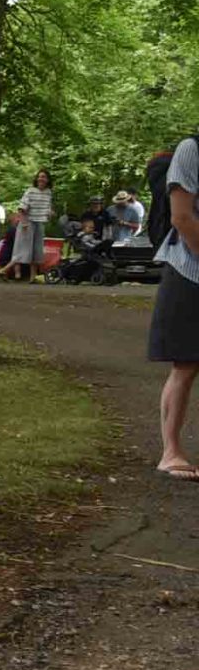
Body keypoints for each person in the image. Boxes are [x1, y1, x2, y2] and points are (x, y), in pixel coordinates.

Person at [150, 134, 199, 479]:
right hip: (189, 271)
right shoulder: (191, 150)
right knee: (186, 363)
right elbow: (181, 218)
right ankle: (171, 452)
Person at [8, 169, 54, 281]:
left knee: (36, 250)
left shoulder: (48, 192)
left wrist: (50, 213)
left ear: (48, 180)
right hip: (28, 222)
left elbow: (47, 207)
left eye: (43, 177)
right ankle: (16, 273)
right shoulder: (30, 191)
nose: (41, 179)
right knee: (21, 248)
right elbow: (22, 208)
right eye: (39, 177)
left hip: (40, 222)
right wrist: (24, 222)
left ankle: (32, 276)